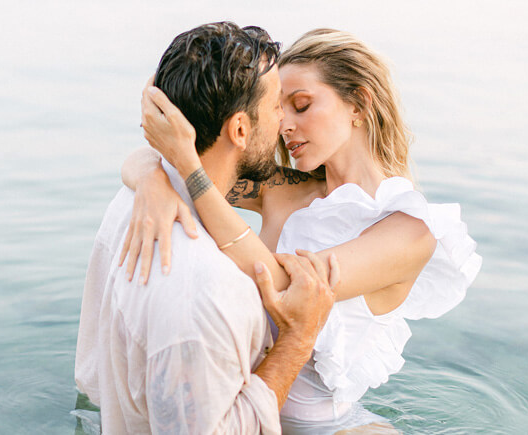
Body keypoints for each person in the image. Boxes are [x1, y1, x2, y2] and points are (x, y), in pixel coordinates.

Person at [121, 29, 482, 433]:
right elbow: (154, 155)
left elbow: (289, 286)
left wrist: (189, 173)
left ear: (358, 104)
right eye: (279, 109)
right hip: (236, 413)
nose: (284, 126)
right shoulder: (280, 189)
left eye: (302, 105)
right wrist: (153, 182)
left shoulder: (408, 231)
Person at [74, 22, 341, 434]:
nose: (283, 122)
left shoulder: (133, 202)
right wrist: (296, 340)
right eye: (275, 108)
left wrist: (148, 173)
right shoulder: (208, 290)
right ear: (239, 129)